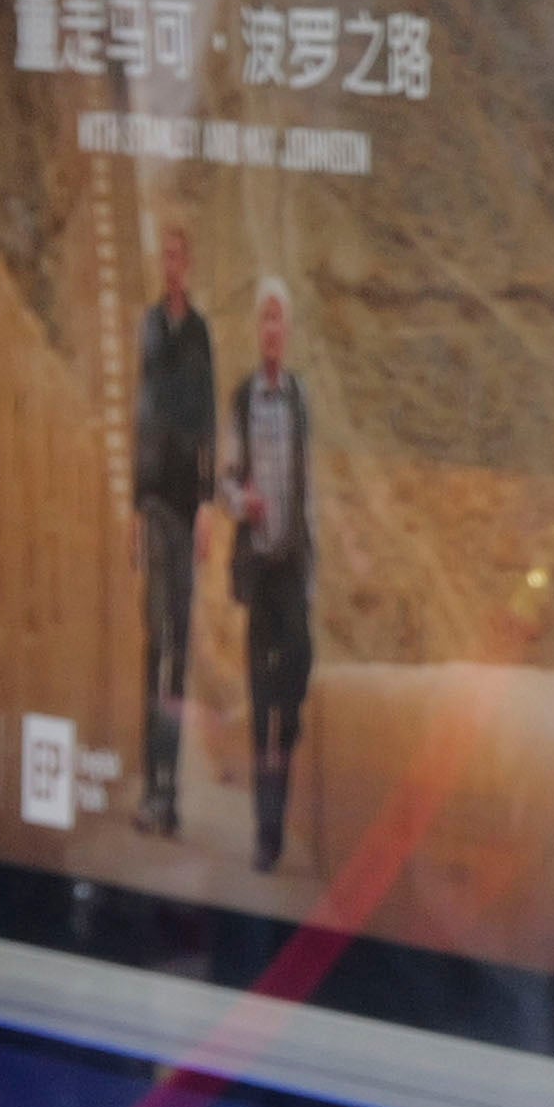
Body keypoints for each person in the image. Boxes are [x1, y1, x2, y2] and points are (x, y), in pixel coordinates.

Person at [126, 218, 213, 828]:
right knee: (157, 638)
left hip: (186, 505)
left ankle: (169, 792)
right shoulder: (149, 327)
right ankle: (151, 784)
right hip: (155, 503)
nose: (172, 263)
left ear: (190, 263)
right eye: (167, 255)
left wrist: (207, 502)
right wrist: (133, 505)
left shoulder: (200, 332)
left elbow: (206, 419)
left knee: (178, 648)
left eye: (180, 255)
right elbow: (141, 411)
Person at [226, 281, 315, 874]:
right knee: (262, 708)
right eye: (264, 319)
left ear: (289, 329)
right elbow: (227, 478)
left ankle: (288, 743)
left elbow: (310, 492)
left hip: (294, 569)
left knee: (294, 692)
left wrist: (315, 569)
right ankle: (267, 832)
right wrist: (242, 500)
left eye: (279, 319)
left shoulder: (301, 399)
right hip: (260, 570)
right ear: (257, 331)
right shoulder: (242, 400)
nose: (272, 330)